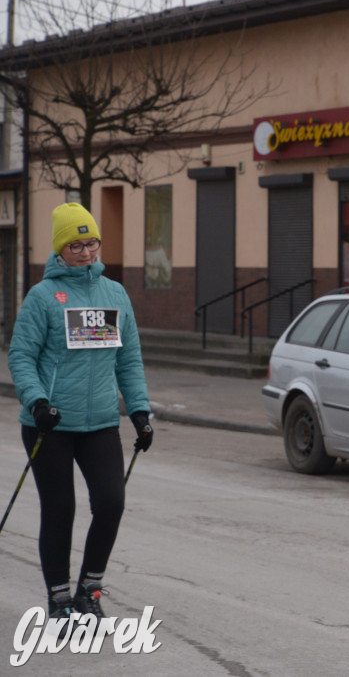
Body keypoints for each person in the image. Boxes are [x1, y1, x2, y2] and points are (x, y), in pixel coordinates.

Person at [8, 202, 154, 629]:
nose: (87, 251)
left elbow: (129, 359)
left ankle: (89, 591)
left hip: (101, 421)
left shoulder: (115, 294)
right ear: (60, 248)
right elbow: (21, 356)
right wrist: (37, 402)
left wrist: (140, 412)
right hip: (50, 424)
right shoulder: (42, 297)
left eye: (92, 243)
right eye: (76, 245)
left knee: (111, 503)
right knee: (60, 510)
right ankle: (58, 599)